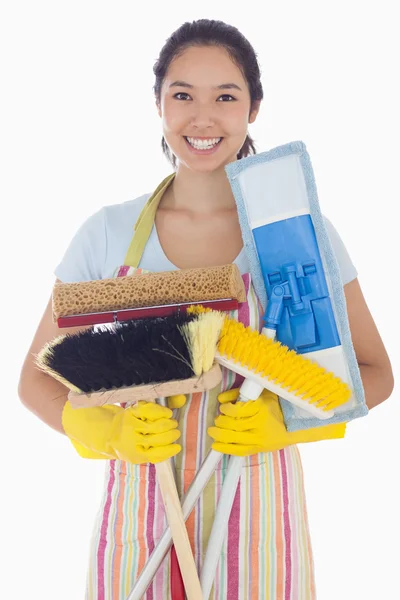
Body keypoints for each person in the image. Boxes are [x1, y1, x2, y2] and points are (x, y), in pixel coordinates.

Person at [18, 18, 394, 600]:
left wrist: (285, 420)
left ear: (254, 108)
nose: (202, 117)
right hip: (137, 522)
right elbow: (33, 379)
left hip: (262, 520)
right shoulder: (108, 232)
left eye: (226, 96)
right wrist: (105, 429)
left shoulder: (297, 236)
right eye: (183, 95)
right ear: (159, 105)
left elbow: (375, 373)